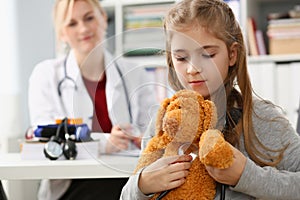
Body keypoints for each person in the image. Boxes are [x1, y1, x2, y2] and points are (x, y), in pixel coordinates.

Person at [120, 0, 300, 199]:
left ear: (232, 54)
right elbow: (126, 195)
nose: (192, 69)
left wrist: (246, 175)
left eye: (207, 54)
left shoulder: (262, 119)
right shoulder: (165, 121)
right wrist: (143, 184)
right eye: (181, 58)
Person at [28, 0, 157, 199]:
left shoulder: (135, 72)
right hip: (73, 183)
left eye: (89, 18)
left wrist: (139, 136)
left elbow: (153, 130)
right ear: (61, 33)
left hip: (128, 177)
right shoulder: (45, 75)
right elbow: (46, 135)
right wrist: (105, 143)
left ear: (103, 19)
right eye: (72, 23)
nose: (84, 28)